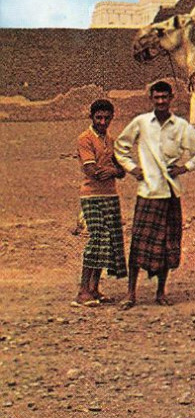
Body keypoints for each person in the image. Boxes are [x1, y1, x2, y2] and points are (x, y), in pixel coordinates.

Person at [114, 80, 195, 308]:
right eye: (156, 98)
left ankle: (160, 293)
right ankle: (131, 294)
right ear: (151, 99)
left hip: (170, 194)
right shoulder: (141, 123)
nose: (160, 102)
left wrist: (184, 168)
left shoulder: (181, 126)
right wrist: (133, 168)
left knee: (168, 245)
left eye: (164, 97)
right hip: (147, 192)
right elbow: (121, 146)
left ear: (171, 98)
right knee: (138, 244)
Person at [73, 98, 127, 307]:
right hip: (91, 195)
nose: (103, 122)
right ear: (91, 118)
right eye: (99, 118)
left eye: (106, 118)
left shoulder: (110, 140)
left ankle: (94, 289)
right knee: (97, 239)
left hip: (111, 195)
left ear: (112, 118)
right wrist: (113, 170)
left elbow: (121, 170)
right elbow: (91, 171)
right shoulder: (85, 139)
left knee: (107, 243)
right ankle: (82, 291)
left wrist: (112, 171)